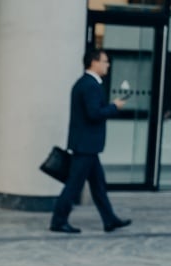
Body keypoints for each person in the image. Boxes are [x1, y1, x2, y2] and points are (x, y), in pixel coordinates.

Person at [50, 49, 132, 234]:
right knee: (74, 185)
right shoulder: (90, 85)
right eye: (105, 61)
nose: (108, 65)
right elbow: (94, 114)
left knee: (98, 185)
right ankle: (58, 221)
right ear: (94, 62)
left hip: (87, 145)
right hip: (86, 145)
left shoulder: (86, 83)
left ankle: (109, 220)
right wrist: (114, 107)